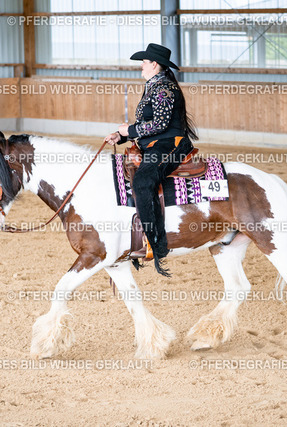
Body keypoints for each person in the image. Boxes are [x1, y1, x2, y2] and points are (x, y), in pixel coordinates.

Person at [104, 43, 198, 277]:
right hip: (156, 143)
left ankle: (156, 241)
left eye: (144, 63)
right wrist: (122, 136)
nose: (141, 67)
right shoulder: (155, 86)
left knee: (143, 181)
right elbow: (147, 126)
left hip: (170, 144)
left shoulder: (164, 88)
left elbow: (160, 124)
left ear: (154, 64)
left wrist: (129, 130)